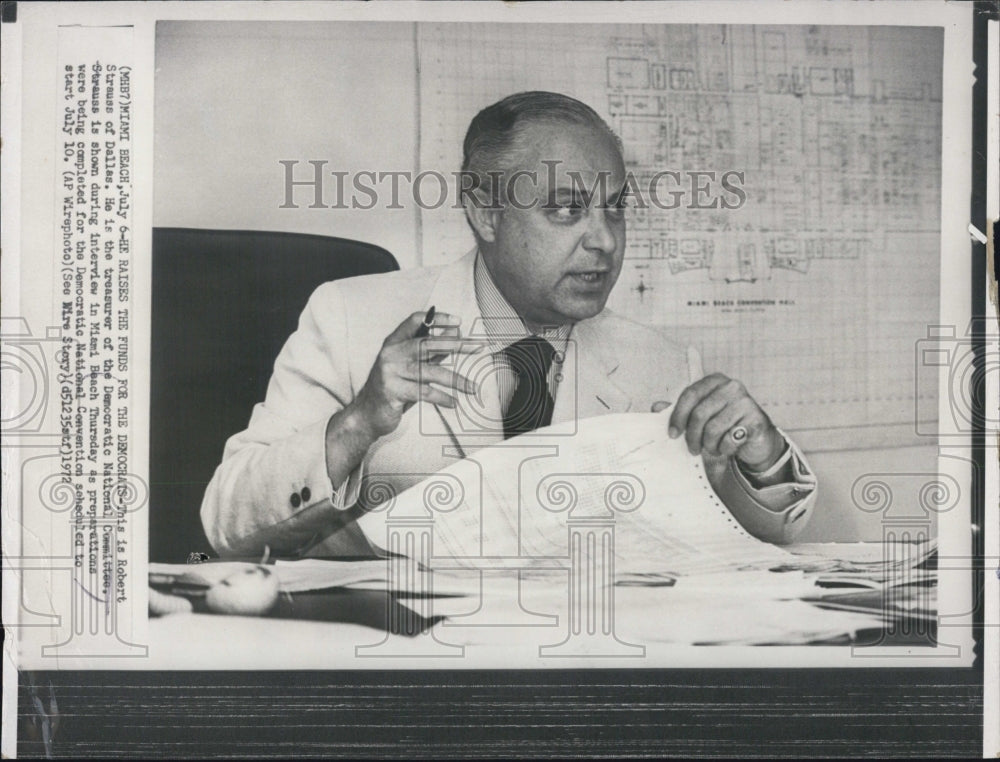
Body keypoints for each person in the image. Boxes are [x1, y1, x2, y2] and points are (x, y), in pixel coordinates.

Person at [201, 91, 816, 558]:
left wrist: (760, 461)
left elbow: (743, 539)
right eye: (567, 209)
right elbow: (225, 523)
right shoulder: (348, 315)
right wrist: (359, 423)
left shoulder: (662, 361)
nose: (604, 241)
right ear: (485, 213)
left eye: (614, 209)